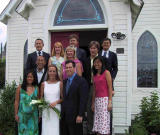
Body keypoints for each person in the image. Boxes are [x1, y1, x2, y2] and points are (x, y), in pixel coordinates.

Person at [61, 60, 89, 135]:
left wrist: (80, 115)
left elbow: (83, 100)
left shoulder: (81, 81)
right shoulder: (64, 82)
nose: (68, 69)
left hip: (76, 117)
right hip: (65, 116)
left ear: (74, 68)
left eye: (70, 67)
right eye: (66, 68)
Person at [99, 38, 118, 134]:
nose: (106, 44)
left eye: (108, 43)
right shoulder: (98, 54)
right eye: (104, 43)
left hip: (109, 82)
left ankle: (108, 130)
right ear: (102, 45)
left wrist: (113, 77)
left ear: (110, 45)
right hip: (99, 82)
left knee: (108, 106)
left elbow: (115, 68)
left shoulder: (113, 55)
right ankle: (99, 129)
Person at [91, 56, 112, 135]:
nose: (96, 64)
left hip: (104, 100)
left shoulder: (106, 72)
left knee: (104, 123)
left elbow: (110, 87)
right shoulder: (94, 75)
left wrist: (110, 102)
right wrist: (93, 103)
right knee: (98, 123)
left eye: (98, 62)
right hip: (97, 100)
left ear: (102, 63)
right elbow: (94, 90)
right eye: (95, 62)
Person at [40, 65, 63, 135]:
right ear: (48, 72)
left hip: (56, 110)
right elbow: (41, 98)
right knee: (46, 129)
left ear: (56, 73)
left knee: (55, 129)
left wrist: (56, 102)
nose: (52, 73)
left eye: (54, 71)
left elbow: (63, 98)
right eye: (50, 71)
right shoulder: (43, 84)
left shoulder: (60, 83)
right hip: (46, 110)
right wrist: (44, 104)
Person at [14, 71, 39, 135]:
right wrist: (16, 114)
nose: (29, 78)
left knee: (33, 133)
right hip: (22, 116)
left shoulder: (37, 88)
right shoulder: (20, 88)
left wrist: (40, 115)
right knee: (23, 132)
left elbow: (39, 102)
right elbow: (16, 101)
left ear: (34, 78)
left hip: (33, 116)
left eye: (31, 77)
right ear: (25, 78)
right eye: (28, 77)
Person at [84, 41, 100, 135]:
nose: (93, 50)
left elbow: (107, 74)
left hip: (100, 86)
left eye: (95, 48)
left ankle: (99, 130)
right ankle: (91, 130)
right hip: (89, 86)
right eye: (91, 48)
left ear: (98, 49)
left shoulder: (102, 59)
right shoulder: (86, 60)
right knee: (90, 108)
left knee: (100, 108)